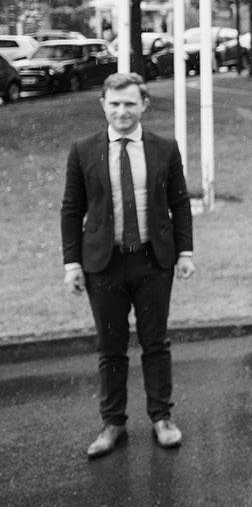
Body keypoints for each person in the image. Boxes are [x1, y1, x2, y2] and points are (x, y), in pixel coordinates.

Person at [61, 72, 195, 458]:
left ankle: (161, 418)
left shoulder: (164, 148)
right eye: (115, 103)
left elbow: (180, 202)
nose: (122, 111)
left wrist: (185, 252)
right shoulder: (83, 150)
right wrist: (71, 263)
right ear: (103, 104)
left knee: (155, 342)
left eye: (130, 103)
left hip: (153, 261)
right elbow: (72, 210)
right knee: (111, 347)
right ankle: (113, 423)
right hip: (103, 264)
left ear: (144, 106)